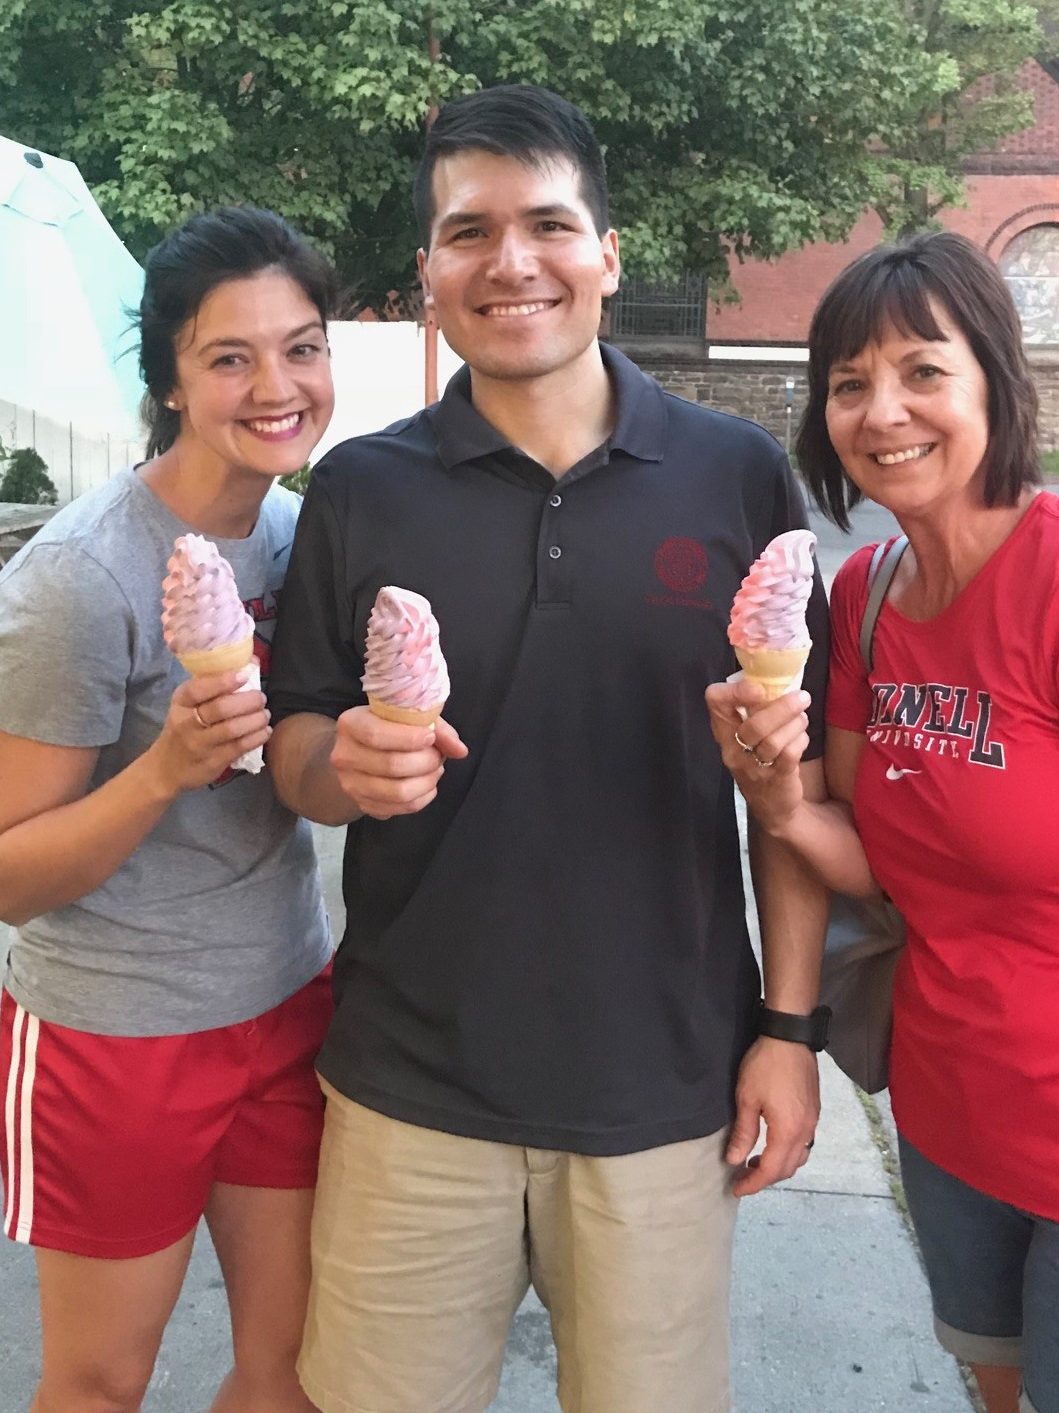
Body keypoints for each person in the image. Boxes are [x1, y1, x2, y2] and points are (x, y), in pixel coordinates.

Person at [268, 84, 830, 1413]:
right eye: (468, 231)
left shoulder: (735, 474)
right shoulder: (359, 487)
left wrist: (788, 1028)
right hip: (409, 1088)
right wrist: (334, 769)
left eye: (547, 224)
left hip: (661, 1084)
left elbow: (785, 789)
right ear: (427, 271)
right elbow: (295, 739)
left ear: (606, 254)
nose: (509, 262)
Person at [706, 231, 1057, 1413]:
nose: (882, 409)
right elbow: (868, 851)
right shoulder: (862, 602)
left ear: (993, 384)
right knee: (997, 1388)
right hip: (952, 1106)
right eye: (849, 383)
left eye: (922, 371)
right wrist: (772, 791)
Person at [0, 205, 338, 1413]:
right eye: (229, 357)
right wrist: (159, 770)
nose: (275, 385)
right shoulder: (82, 578)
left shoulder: (305, 539)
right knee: (100, 1380)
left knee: (295, 1368)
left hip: (288, 1002)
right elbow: (8, 873)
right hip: (116, 1035)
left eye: (301, 347)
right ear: (173, 382)